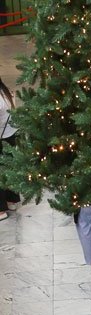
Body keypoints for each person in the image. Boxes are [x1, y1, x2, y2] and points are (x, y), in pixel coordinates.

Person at [0, 78, 21, 221]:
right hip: (11, 135)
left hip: (1, 137)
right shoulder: (5, 92)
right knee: (9, 168)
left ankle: (1, 210)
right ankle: (12, 201)